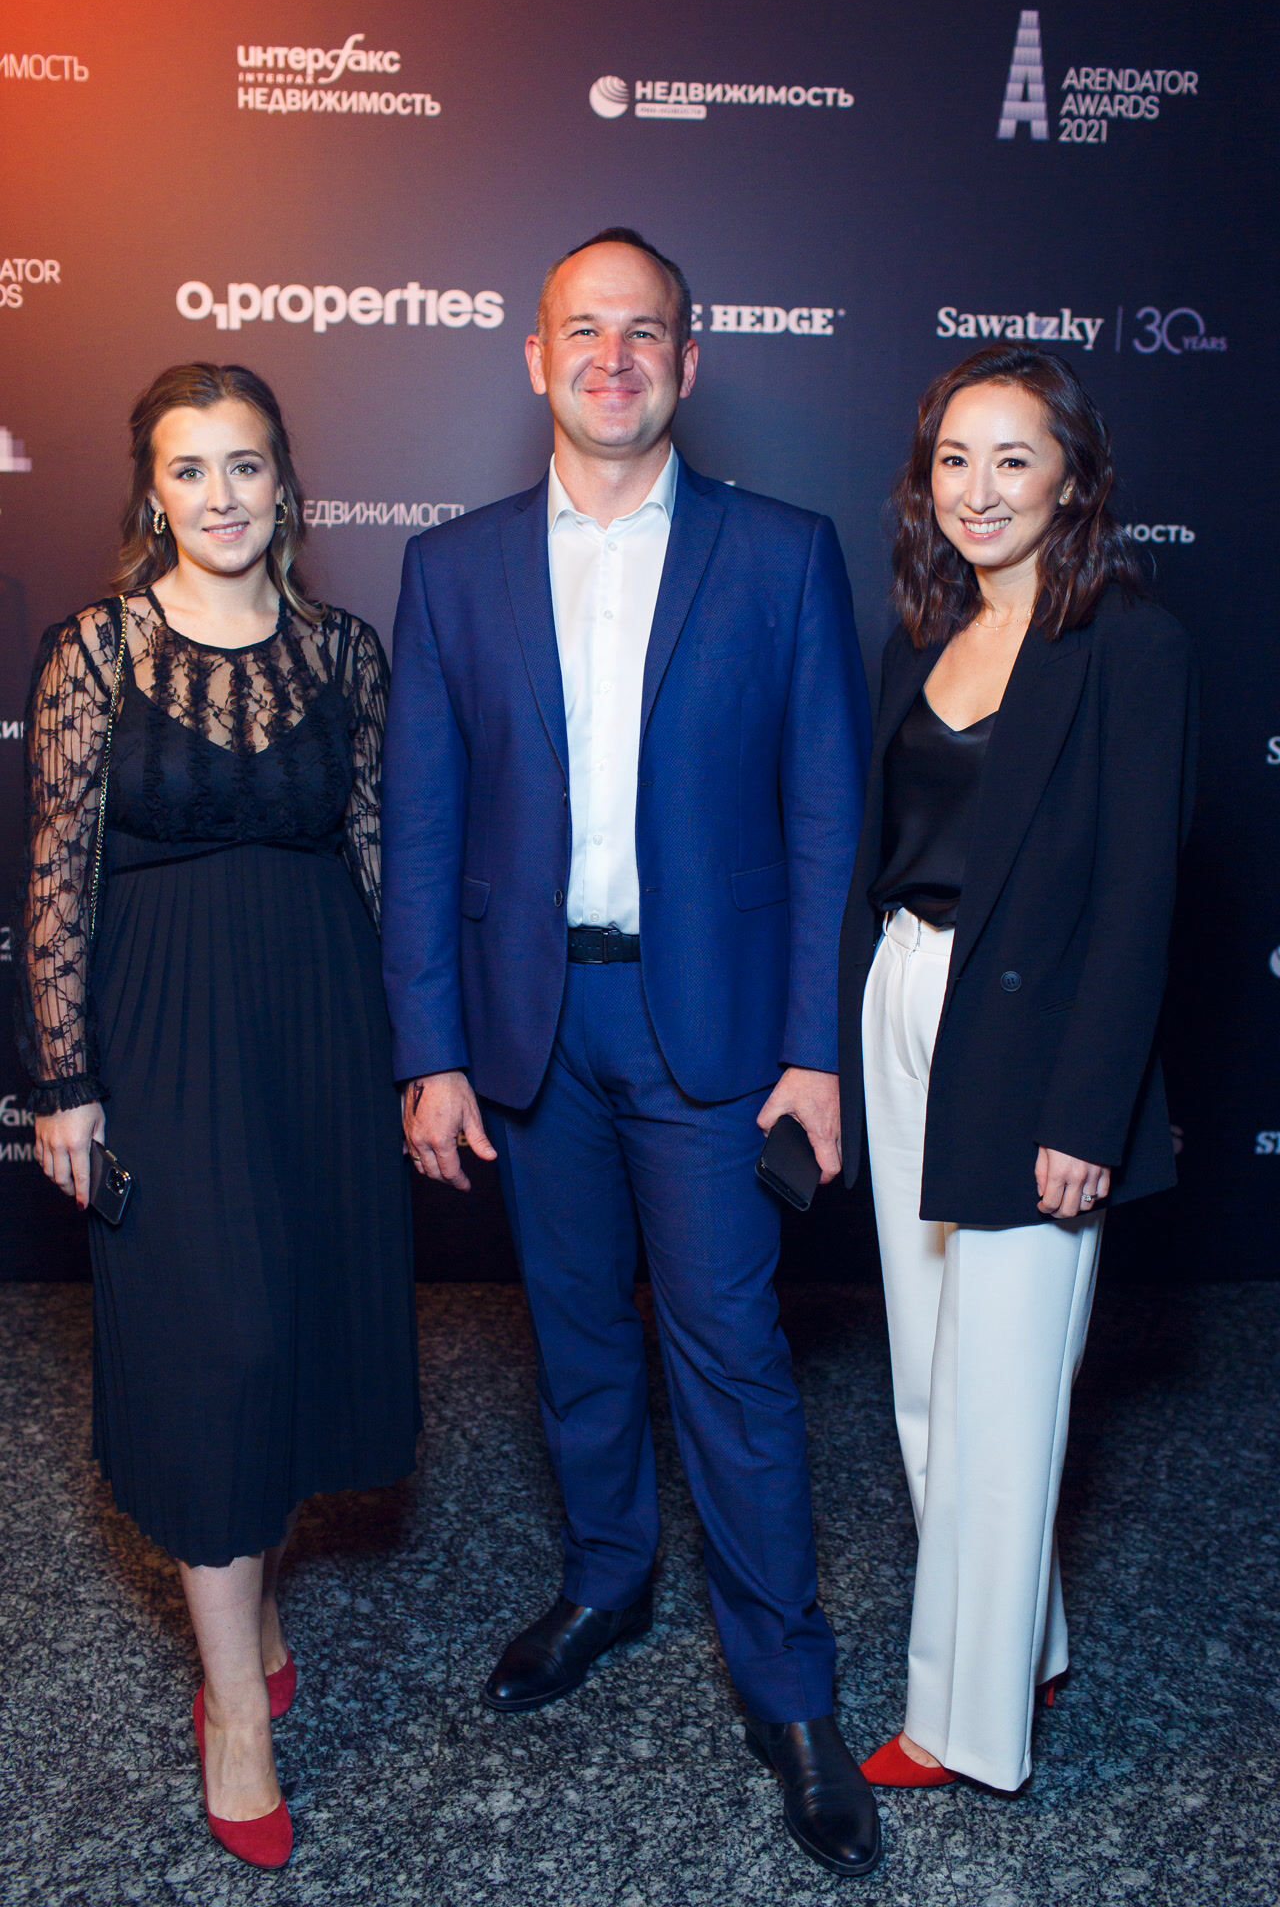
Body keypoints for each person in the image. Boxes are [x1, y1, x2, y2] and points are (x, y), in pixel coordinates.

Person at [382, 228, 880, 1877]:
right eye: (582, 332)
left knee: (730, 1356)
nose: (613, 358)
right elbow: (424, 826)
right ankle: (607, 1581)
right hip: (532, 1026)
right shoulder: (452, 569)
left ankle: (788, 1691)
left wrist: (813, 1051)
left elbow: (827, 821)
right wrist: (431, 1049)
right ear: (536, 358)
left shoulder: (782, 554)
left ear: (688, 361)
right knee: (579, 1336)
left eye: (644, 332)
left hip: (714, 1031)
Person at [20, 363, 420, 1869]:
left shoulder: (344, 649)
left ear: (284, 482)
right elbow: (54, 877)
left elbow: (378, 852)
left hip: (321, 1028)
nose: (221, 496)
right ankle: (235, 1712)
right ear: (152, 493)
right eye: (189, 470)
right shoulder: (94, 651)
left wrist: (418, 1053)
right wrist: (64, 1079)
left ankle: (249, 1637)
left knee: (295, 1330)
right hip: (165, 1032)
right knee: (221, 1347)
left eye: (245, 465)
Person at [837, 344, 1197, 1793]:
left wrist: (1087, 1112)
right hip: (907, 1004)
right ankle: (1022, 1641)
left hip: (1039, 1048)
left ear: (1072, 479)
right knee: (928, 1384)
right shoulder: (921, 635)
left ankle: (966, 1726)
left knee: (1002, 1394)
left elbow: (1139, 900)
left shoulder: (1131, 643)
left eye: (1013, 459)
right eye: (953, 460)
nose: (978, 490)